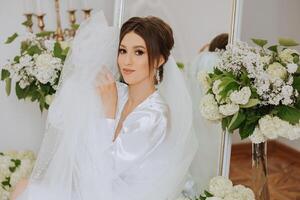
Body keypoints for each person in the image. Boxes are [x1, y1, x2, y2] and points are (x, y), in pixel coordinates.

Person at [12, 11, 198, 200]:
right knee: (24, 187)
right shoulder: (117, 91)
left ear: (159, 60)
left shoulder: (155, 115)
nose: (127, 61)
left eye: (139, 52)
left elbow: (106, 169)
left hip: (120, 194)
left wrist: (108, 111)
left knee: (27, 192)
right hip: (95, 186)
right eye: (123, 50)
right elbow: (80, 149)